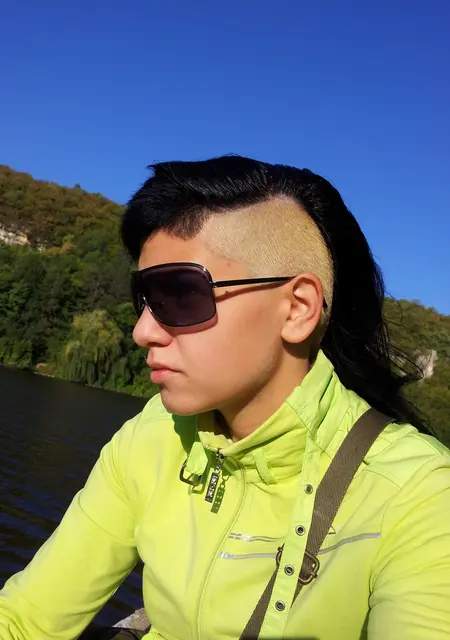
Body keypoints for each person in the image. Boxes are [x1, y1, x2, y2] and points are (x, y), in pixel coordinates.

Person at [1, 155, 449, 640]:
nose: (142, 330)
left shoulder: (418, 494)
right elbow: (27, 618)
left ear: (297, 308)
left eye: (179, 294)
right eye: (144, 299)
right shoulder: (152, 436)